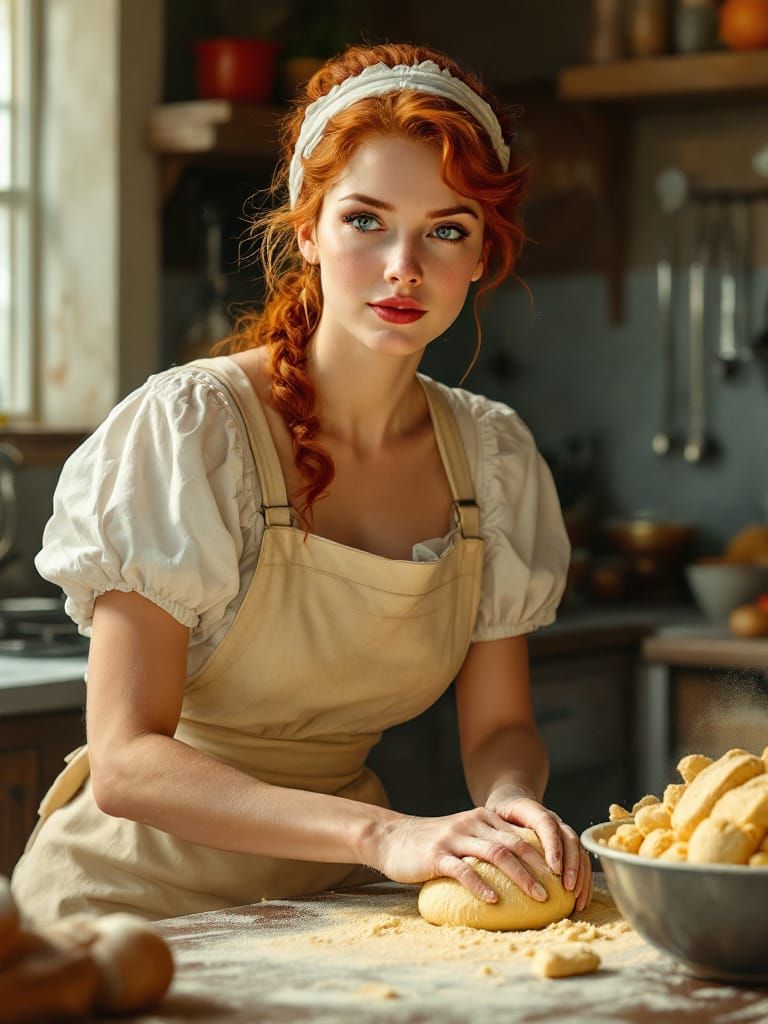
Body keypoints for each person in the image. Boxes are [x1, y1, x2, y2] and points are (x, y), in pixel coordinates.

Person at [11, 41, 591, 923]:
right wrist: (382, 837)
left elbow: (501, 727)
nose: (405, 265)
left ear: (481, 258)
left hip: (316, 907)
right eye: (365, 220)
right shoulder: (194, 431)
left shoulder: (493, 460)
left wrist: (510, 798)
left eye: (447, 229)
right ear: (308, 229)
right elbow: (127, 762)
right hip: (123, 905)